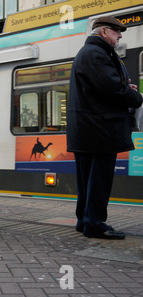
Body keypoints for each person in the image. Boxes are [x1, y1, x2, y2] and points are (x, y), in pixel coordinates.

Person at [67, 16, 143, 239]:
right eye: (116, 32)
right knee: (99, 181)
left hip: (89, 129)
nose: (119, 36)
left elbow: (101, 87)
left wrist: (121, 87)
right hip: (100, 129)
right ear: (103, 32)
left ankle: (84, 220)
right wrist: (135, 96)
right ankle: (95, 223)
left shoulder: (90, 53)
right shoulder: (96, 54)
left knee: (87, 180)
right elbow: (111, 90)